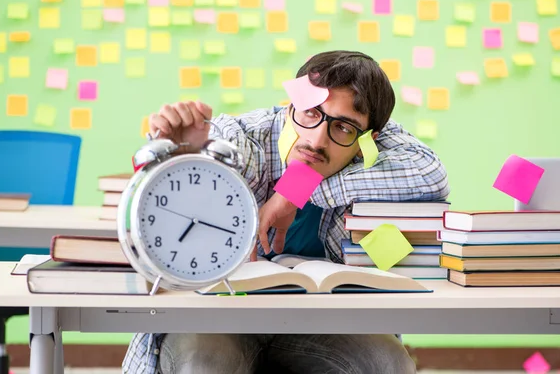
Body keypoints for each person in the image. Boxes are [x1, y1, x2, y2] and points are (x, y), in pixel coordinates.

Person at [122, 50, 450, 374]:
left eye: (344, 128)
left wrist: (294, 190)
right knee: (203, 364)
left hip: (325, 323)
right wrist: (184, 155)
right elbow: (188, 190)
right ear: (291, 104)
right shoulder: (245, 136)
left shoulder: (374, 147)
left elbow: (431, 172)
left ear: (369, 139)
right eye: (310, 113)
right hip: (221, 315)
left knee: (388, 364)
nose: (317, 139)